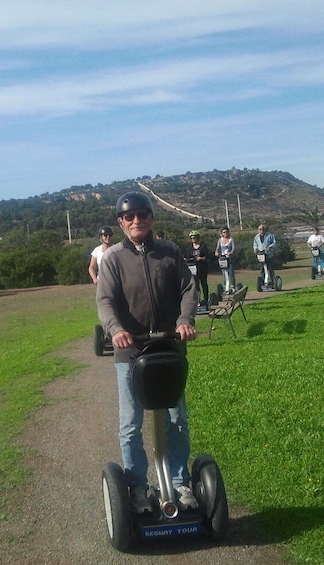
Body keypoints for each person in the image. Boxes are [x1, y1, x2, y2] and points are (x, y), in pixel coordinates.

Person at [96, 191, 199, 514]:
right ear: (121, 223)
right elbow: (105, 301)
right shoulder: (112, 258)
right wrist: (116, 330)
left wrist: (185, 320)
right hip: (131, 352)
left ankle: (180, 482)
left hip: (169, 349)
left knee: (176, 419)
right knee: (130, 423)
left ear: (151, 218)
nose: (136, 221)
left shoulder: (169, 251)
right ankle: (138, 487)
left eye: (142, 215)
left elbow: (187, 288)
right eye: (129, 217)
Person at [186, 230, 210, 306]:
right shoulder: (190, 247)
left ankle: (206, 299)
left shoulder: (203, 246)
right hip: (193, 269)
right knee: (196, 285)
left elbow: (208, 256)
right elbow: (188, 257)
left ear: (198, 238)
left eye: (194, 237)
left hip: (202, 268)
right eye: (191, 238)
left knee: (204, 283)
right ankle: (198, 300)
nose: (193, 239)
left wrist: (202, 258)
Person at [214, 226, 237, 293]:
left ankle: (233, 287)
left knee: (231, 272)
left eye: (226, 231)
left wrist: (231, 252)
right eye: (224, 232)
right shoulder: (220, 240)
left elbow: (233, 248)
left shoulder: (231, 239)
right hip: (222, 259)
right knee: (224, 273)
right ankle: (225, 288)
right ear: (222, 233)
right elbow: (217, 248)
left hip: (230, 258)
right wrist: (216, 252)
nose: (225, 233)